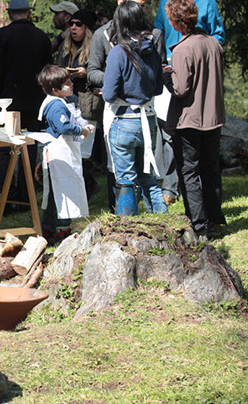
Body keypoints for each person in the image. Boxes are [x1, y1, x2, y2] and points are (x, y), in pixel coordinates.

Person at [87, 0, 166, 212]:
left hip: (123, 120)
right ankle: (163, 218)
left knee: (125, 180)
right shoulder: (152, 50)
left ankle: (127, 223)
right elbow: (158, 88)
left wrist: (119, 85)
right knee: (148, 177)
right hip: (148, 118)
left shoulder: (118, 52)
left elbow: (109, 95)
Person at [163, 0, 226, 238]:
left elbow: (180, 89)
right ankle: (216, 221)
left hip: (189, 119)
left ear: (176, 23)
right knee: (211, 170)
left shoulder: (182, 49)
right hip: (214, 117)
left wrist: (166, 76)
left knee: (189, 172)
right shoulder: (214, 44)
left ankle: (198, 225)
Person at [0, 0, 52, 213]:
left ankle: (7, 197)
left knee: (4, 149)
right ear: (29, 14)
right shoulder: (41, 37)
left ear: (10, 14)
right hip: (34, 102)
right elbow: (47, 71)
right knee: (28, 148)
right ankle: (26, 197)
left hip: (7, 103)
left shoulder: (2, 36)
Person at [36, 65, 92, 242]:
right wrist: (81, 129)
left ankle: (48, 229)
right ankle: (61, 229)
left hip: (64, 154)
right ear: (55, 90)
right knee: (63, 193)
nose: (72, 84)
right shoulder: (55, 105)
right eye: (67, 83)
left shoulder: (59, 101)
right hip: (60, 155)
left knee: (55, 195)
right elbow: (63, 127)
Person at [56, 8, 100, 200]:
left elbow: (103, 74)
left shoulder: (95, 49)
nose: (73, 27)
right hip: (68, 103)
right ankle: (84, 187)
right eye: (71, 24)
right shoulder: (65, 48)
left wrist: (87, 73)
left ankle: (87, 188)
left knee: (83, 151)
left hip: (87, 104)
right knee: (71, 149)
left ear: (87, 28)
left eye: (78, 24)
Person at [154, 0, 224, 57]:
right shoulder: (165, 2)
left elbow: (217, 36)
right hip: (170, 63)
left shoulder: (207, 2)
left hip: (198, 63)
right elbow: (158, 36)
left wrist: (200, 55)